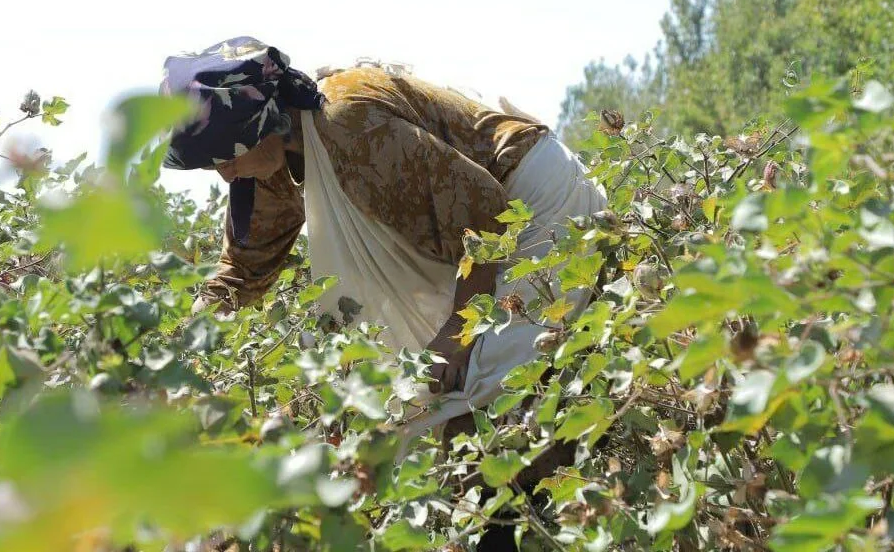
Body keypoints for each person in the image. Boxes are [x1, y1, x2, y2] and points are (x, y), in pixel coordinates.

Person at [160, 36, 606, 439]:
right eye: (212, 164)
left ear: (260, 123)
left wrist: (460, 329)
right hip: (486, 230)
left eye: (228, 156)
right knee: (423, 407)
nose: (224, 173)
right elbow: (242, 270)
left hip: (532, 202)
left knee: (484, 403)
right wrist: (179, 349)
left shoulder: (350, 125)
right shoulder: (266, 161)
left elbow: (483, 214)